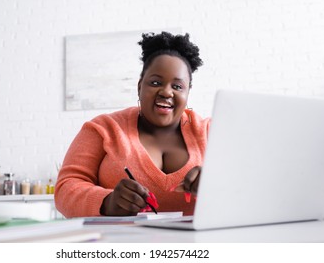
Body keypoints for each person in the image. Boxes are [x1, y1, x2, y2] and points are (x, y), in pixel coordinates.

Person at [55, 31, 210, 217]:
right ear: (139, 87)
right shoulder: (103, 128)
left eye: (177, 86)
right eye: (155, 82)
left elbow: (248, 186)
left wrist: (219, 184)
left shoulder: (212, 132)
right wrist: (107, 201)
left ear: (187, 93)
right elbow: (65, 188)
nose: (166, 92)